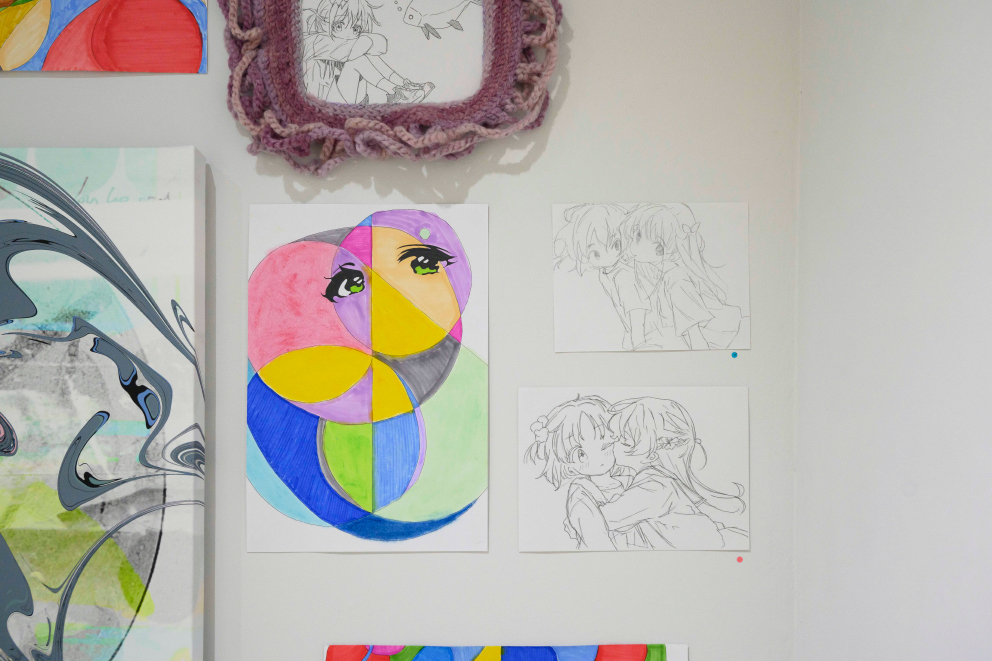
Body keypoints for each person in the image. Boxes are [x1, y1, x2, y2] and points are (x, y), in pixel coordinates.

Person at [603, 397, 747, 550]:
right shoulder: (653, 480)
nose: (609, 444)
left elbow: (602, 519)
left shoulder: (655, 487)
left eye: (623, 441)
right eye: (612, 437)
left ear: (651, 455)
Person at [622, 204, 742, 350]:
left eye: (638, 236)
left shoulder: (676, 278)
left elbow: (696, 338)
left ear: (659, 248)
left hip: (714, 336)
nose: (630, 243)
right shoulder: (662, 276)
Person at [525, 395, 634, 550]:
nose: (610, 440)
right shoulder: (581, 497)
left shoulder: (628, 474)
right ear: (571, 464)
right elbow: (598, 545)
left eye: (606, 439)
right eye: (581, 454)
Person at [554, 204, 657, 350]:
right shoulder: (605, 273)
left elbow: (636, 310)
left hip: (647, 336)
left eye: (616, 245)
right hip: (635, 334)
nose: (608, 257)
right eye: (596, 253)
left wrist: (638, 342)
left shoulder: (623, 275)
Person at [302, 0, 434, 104]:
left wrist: (367, 42)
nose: (348, 33)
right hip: (327, 102)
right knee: (355, 60)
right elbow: (362, 47)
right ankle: (395, 93)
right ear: (324, 23)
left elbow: (379, 45)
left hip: (354, 98)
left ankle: (404, 86)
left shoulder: (349, 44)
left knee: (362, 54)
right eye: (339, 25)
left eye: (355, 28)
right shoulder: (315, 41)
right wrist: (366, 41)